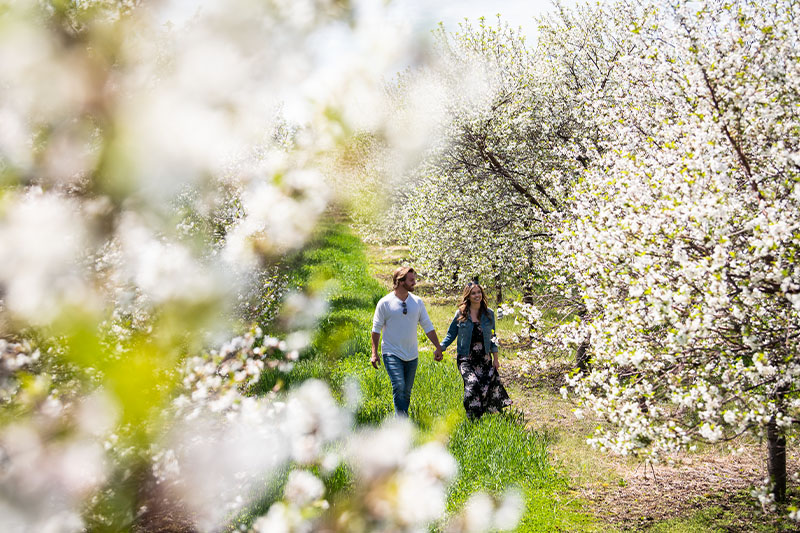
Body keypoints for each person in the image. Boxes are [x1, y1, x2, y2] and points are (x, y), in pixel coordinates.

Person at [371, 266, 443, 416]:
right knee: (399, 385)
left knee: (407, 391)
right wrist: (374, 353)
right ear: (400, 281)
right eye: (411, 280)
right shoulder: (385, 303)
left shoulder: (417, 302)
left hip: (412, 354)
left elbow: (427, 326)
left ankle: (402, 417)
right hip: (391, 352)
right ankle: (402, 421)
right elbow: (376, 330)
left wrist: (438, 346)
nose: (414, 283)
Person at [440, 281, 511, 420]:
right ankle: (471, 416)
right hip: (466, 358)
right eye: (473, 293)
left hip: (484, 358)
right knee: (472, 384)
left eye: (479, 292)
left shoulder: (489, 314)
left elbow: (493, 337)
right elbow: (451, 334)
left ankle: (482, 415)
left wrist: (496, 359)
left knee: (484, 387)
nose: (477, 295)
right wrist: (440, 348)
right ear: (468, 296)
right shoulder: (461, 313)